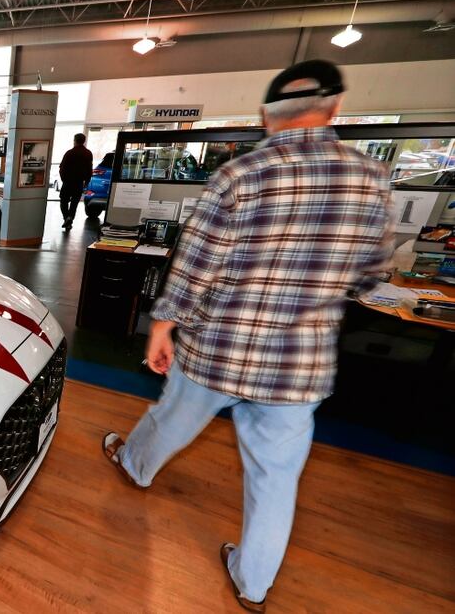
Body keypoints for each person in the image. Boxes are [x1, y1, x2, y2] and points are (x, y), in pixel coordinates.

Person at [100, 60, 393, 612]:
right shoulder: (372, 177)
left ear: (266, 115)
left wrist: (162, 324)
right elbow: (371, 273)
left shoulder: (242, 175)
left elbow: (196, 265)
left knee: (173, 419)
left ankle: (136, 468)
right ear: (336, 110)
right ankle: (252, 583)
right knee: (277, 476)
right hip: (300, 363)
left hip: (219, 350)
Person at [58, 133, 94, 230]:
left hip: (68, 182)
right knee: (74, 202)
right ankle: (70, 218)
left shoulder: (69, 153)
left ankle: (66, 218)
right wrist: (87, 181)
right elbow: (89, 169)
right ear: (84, 141)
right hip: (79, 182)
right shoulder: (88, 153)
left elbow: (62, 167)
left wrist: (63, 179)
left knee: (63, 201)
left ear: (74, 140)